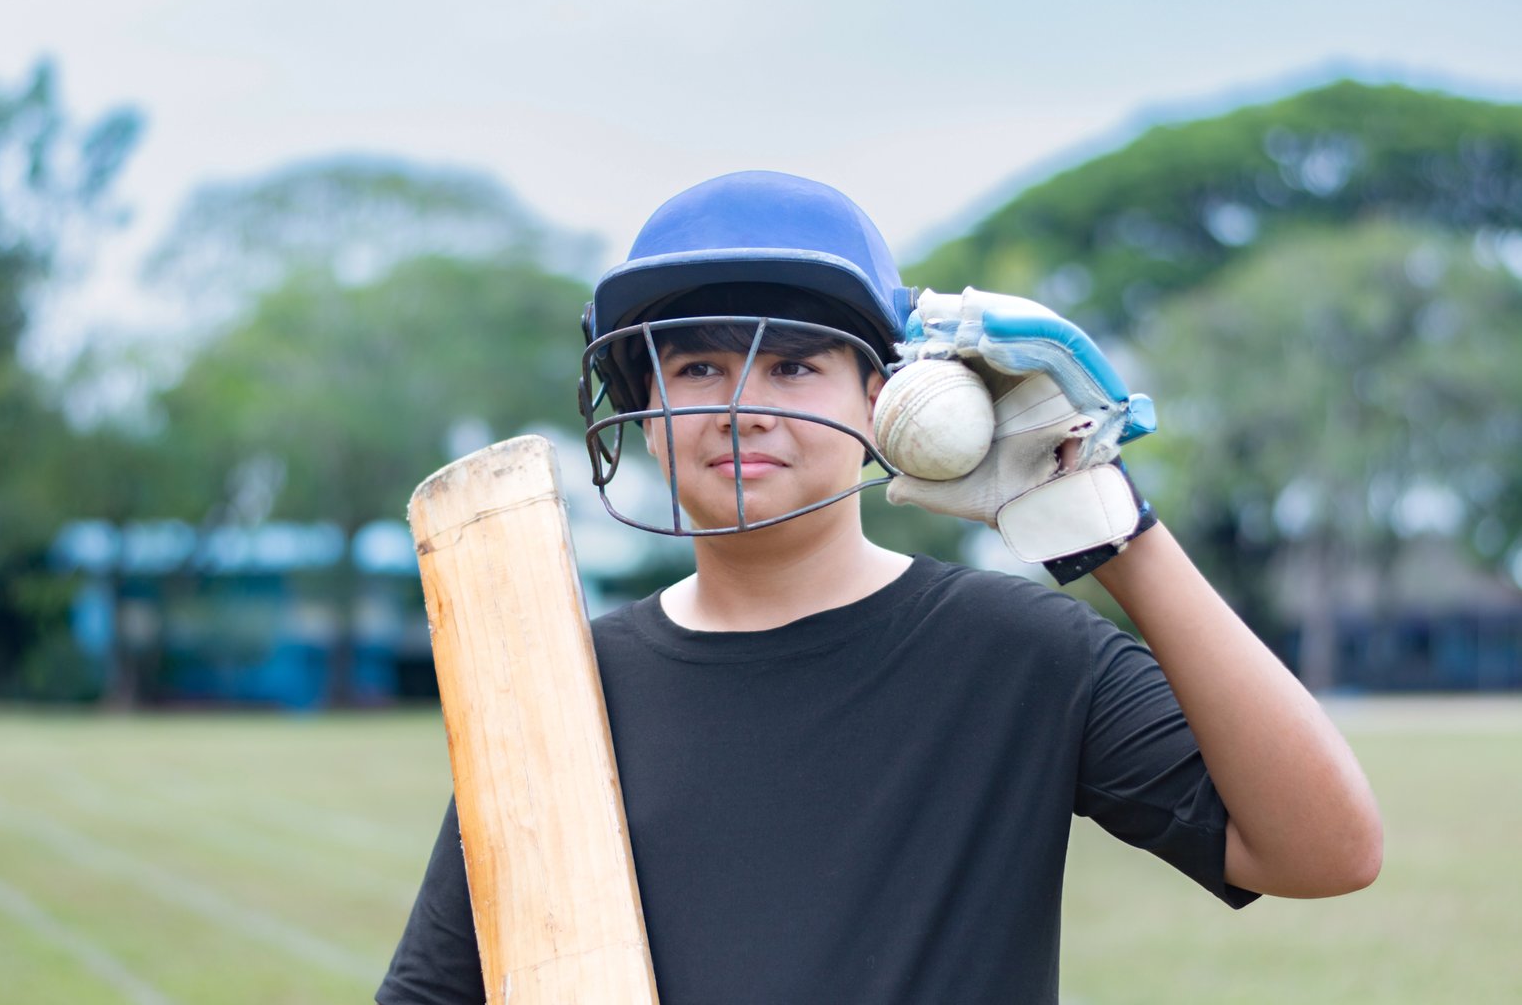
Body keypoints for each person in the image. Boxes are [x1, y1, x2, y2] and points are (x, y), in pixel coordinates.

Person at [377, 170, 1382, 1005]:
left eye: (796, 367)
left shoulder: (1020, 650)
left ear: (887, 400)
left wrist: (1118, 532)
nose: (741, 407)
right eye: (696, 366)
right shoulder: (562, 686)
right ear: (642, 412)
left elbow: (1323, 852)